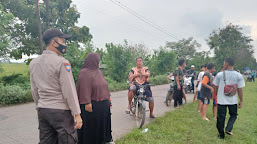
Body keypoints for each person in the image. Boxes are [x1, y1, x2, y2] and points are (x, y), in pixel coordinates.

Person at [29, 28, 82, 144]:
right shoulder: (62, 62)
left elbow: (34, 89)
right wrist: (77, 114)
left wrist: (40, 105)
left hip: (43, 110)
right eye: (63, 41)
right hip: (61, 112)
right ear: (54, 43)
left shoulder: (33, 63)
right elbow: (69, 91)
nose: (65, 45)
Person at [76, 53, 113, 144]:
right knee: (92, 128)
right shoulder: (84, 72)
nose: (99, 63)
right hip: (92, 106)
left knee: (103, 126)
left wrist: (108, 97)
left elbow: (103, 85)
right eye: (98, 61)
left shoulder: (98, 72)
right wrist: (87, 102)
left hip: (103, 105)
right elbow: (84, 88)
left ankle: (104, 140)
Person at [213, 58, 245, 139]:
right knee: (233, 115)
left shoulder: (219, 75)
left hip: (221, 100)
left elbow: (215, 86)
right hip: (233, 100)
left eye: (224, 63)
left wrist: (215, 95)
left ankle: (221, 135)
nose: (224, 65)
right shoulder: (239, 75)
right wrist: (241, 100)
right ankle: (228, 128)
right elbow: (240, 89)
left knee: (220, 117)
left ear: (226, 63)